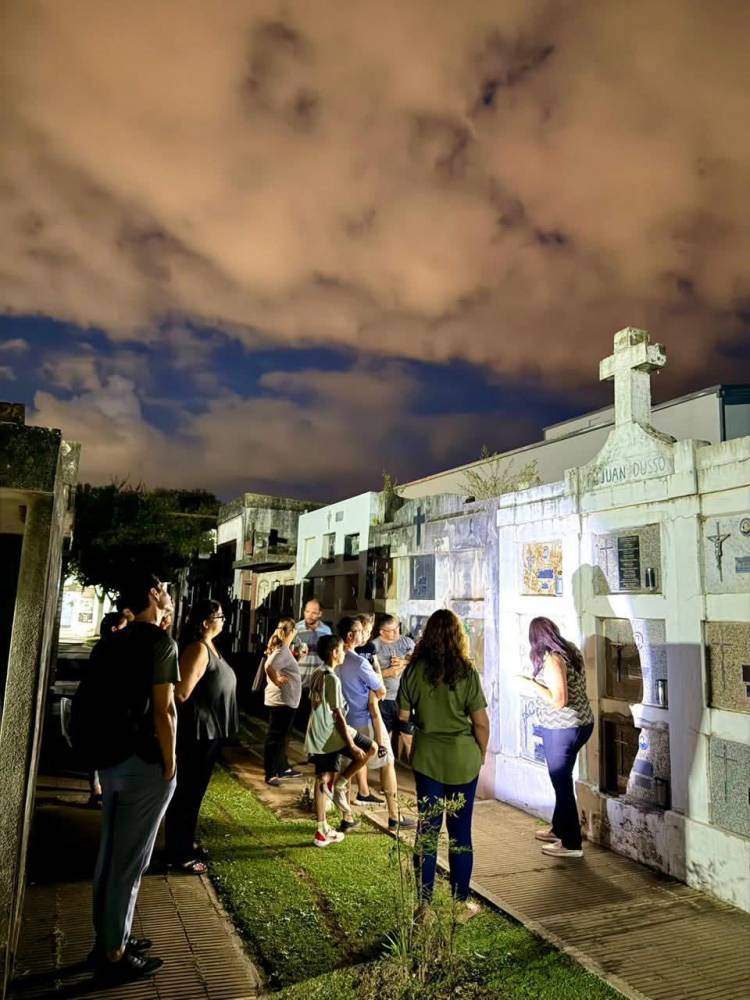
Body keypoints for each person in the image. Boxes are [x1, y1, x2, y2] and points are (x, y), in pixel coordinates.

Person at [89, 572, 178, 983]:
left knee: (109, 855)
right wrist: (171, 761)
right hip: (144, 762)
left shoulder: (113, 640)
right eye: (163, 590)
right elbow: (165, 711)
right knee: (130, 861)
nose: (167, 596)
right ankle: (114, 954)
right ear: (151, 595)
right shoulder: (161, 643)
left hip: (109, 758)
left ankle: (109, 937)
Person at [397, 608, 489, 922]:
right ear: (458, 636)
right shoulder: (466, 672)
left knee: (427, 830)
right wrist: (482, 755)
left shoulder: (413, 671)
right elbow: (480, 723)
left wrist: (409, 746)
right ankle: (460, 905)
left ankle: (424, 907)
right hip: (463, 759)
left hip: (428, 758)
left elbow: (403, 718)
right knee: (460, 833)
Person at [163, 599, 239, 873]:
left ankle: (185, 842)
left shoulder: (210, 646)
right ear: (206, 622)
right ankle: (177, 853)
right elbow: (181, 692)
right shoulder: (197, 649)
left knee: (194, 793)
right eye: (220, 616)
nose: (224, 620)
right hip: (197, 733)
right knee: (187, 794)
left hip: (209, 733)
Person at [517, 617, 594, 859]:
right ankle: (558, 828)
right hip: (582, 723)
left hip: (562, 729)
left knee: (561, 784)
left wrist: (531, 684)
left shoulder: (553, 658)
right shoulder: (570, 650)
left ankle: (571, 844)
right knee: (562, 780)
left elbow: (559, 700)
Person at [338, 617, 416, 830]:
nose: (365, 635)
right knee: (387, 763)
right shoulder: (360, 662)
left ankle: (347, 816)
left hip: (344, 722)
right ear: (351, 636)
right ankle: (394, 815)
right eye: (361, 632)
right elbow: (380, 690)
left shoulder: (336, 659)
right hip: (367, 720)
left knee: (347, 769)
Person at [305, 633, 376, 847]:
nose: (344, 653)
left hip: (321, 733)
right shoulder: (331, 678)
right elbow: (338, 716)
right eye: (342, 650)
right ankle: (321, 831)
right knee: (325, 778)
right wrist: (352, 745)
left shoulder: (318, 672)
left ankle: (339, 790)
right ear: (334, 652)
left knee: (325, 777)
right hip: (328, 735)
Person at [262, 618, 303, 786]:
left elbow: (281, 666)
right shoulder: (282, 651)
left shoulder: (284, 650)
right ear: (291, 632)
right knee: (275, 738)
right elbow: (269, 666)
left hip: (285, 700)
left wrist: (298, 658)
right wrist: (277, 680)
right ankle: (271, 772)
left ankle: (282, 767)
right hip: (281, 702)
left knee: (281, 737)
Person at [372, 615, 415, 757]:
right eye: (392, 630)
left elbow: (417, 661)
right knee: (385, 736)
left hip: (406, 699)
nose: (397, 632)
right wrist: (388, 672)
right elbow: (368, 676)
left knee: (408, 735)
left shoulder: (407, 642)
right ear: (382, 632)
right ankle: (387, 768)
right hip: (385, 698)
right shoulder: (374, 647)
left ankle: (415, 773)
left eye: (398, 628)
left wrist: (404, 663)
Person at [295, 598, 332, 689]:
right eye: (307, 611)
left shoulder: (326, 631)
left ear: (320, 614)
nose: (309, 615)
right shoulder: (296, 629)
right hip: (299, 681)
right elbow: (288, 653)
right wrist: (297, 651)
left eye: (314, 613)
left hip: (319, 682)